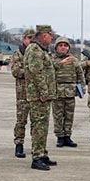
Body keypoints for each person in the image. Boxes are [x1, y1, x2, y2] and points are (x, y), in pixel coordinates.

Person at [24, 24, 57, 170]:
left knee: (43, 126)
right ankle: (36, 157)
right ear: (44, 35)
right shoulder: (34, 50)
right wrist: (44, 92)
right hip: (38, 96)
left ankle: (42, 153)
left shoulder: (42, 50)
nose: (51, 37)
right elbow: (36, 73)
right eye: (50, 35)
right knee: (38, 126)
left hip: (43, 95)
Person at [52, 37, 85, 148]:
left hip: (70, 92)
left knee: (69, 116)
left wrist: (82, 88)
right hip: (57, 92)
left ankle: (67, 136)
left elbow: (80, 75)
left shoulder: (73, 60)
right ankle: (60, 137)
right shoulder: (52, 59)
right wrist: (60, 63)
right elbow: (48, 72)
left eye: (65, 45)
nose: (63, 47)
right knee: (58, 116)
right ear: (56, 47)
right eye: (60, 45)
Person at [10, 28, 35, 158]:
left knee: (36, 122)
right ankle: (19, 144)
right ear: (24, 39)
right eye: (29, 39)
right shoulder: (18, 54)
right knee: (21, 120)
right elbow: (16, 71)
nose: (31, 42)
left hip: (36, 93)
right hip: (23, 94)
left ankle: (36, 146)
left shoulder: (37, 54)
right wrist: (32, 72)